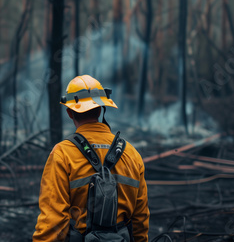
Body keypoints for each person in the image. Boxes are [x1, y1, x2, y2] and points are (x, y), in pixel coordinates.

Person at [33, 75, 150, 242]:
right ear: (102, 108)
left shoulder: (62, 154)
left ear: (69, 113)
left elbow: (52, 222)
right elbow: (140, 219)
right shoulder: (132, 154)